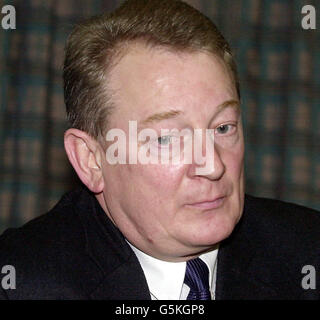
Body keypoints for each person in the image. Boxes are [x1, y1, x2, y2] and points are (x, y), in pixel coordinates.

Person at [0, 0, 319, 300]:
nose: (213, 165)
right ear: (91, 160)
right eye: (166, 139)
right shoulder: (21, 283)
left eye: (223, 127)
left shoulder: (307, 253)